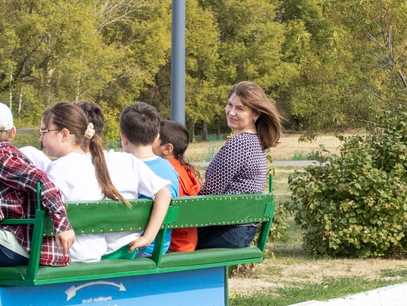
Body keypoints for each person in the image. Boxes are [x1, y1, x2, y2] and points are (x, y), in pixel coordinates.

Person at [39, 100, 169, 262]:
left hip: (82, 255)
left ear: (69, 133)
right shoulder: (126, 161)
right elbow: (164, 193)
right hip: (125, 251)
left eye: (44, 131)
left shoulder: (63, 168)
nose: (41, 138)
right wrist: (148, 237)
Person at [0, 112, 76, 270]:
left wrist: (63, 225)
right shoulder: (18, 156)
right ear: (13, 132)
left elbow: (42, 181)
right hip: (26, 246)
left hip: (14, 250)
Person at [198, 79, 283, 249]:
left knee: (166, 238)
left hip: (226, 230)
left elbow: (210, 192)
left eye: (240, 108)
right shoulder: (255, 142)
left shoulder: (239, 144)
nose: (231, 112)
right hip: (242, 231)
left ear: (255, 114)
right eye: (230, 105)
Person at [118, 101, 187, 254]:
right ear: (156, 137)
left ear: (123, 137)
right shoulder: (170, 169)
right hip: (159, 248)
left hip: (132, 250)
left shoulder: (122, 168)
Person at [157, 118, 203, 253]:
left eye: (153, 139)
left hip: (171, 244)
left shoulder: (166, 172)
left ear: (167, 149)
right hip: (188, 242)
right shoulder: (186, 171)